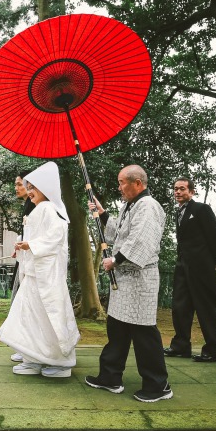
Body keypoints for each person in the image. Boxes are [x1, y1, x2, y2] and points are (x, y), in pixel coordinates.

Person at [84, 165, 173, 403]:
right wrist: (102, 213)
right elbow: (117, 234)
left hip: (141, 277)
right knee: (117, 328)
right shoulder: (129, 206)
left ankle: (158, 384)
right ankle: (110, 376)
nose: (120, 187)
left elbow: (141, 240)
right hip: (125, 279)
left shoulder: (148, 205)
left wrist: (116, 260)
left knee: (143, 331)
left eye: (123, 182)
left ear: (137, 183)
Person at [0, 162, 80, 378]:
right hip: (35, 273)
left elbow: (56, 235)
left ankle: (57, 362)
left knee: (44, 316)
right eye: (28, 186)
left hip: (44, 275)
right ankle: (33, 358)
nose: (29, 191)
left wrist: (31, 245)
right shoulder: (43, 208)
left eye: (32, 187)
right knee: (30, 316)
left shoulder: (49, 209)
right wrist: (25, 243)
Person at [164, 177, 216, 362]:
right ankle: (181, 346)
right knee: (180, 306)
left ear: (191, 191)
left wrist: (212, 262)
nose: (178, 192)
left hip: (201, 267)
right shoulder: (178, 213)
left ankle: (213, 351)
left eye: (182, 189)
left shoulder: (201, 209)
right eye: (175, 189)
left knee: (205, 308)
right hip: (182, 266)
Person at [8, 171, 36, 364]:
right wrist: (19, 244)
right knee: (20, 302)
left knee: (27, 304)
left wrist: (25, 244)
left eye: (20, 184)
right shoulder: (28, 206)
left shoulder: (38, 207)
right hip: (25, 258)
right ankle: (23, 345)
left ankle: (29, 347)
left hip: (35, 263)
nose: (16, 188)